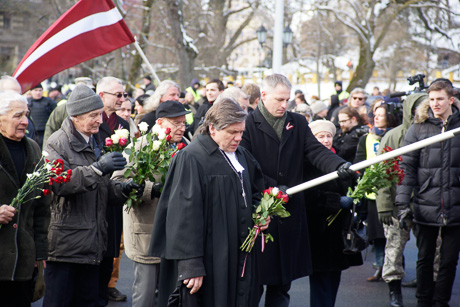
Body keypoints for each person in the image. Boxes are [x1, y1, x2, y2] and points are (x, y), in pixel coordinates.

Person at [240, 74, 356, 307]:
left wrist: (339, 165)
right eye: (279, 99)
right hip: (259, 212)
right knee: (252, 287)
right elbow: (246, 165)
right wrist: (271, 187)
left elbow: (315, 152)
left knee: (282, 285)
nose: (285, 105)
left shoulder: (298, 122)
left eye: (287, 100)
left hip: (290, 214)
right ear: (263, 96)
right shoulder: (247, 124)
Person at [149, 98, 268, 306]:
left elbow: (256, 191)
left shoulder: (241, 154)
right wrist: (191, 265)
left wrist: (261, 213)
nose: (238, 138)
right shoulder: (191, 158)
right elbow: (182, 216)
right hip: (210, 257)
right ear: (212, 129)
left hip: (239, 254)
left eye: (241, 132)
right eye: (232, 132)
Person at [42, 84, 141, 307]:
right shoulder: (57, 143)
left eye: (99, 114)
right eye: (93, 115)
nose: (100, 120)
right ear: (75, 117)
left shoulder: (93, 140)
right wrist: (96, 169)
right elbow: (60, 184)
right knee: (59, 301)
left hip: (92, 244)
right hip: (66, 247)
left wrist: (122, 190)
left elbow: (100, 188)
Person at [113, 100, 189, 307]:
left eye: (184, 122)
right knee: (145, 297)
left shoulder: (185, 147)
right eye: (176, 123)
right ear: (161, 122)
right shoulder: (140, 146)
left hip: (175, 235)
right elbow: (119, 182)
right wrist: (151, 190)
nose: (182, 127)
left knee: (171, 296)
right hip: (146, 233)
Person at [396, 80, 460, 307]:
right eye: (432, 99)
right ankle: (423, 301)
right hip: (425, 201)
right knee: (424, 257)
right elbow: (406, 169)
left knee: (449, 260)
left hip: (455, 203)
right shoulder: (418, 128)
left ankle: (440, 301)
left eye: (440, 99)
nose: (435, 104)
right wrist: (402, 203)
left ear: (450, 100)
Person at [375, 92, 427, 307]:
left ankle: (426, 289)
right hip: (398, 202)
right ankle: (394, 291)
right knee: (394, 250)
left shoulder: (436, 132)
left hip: (427, 203)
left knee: (431, 253)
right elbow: (382, 173)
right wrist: (385, 206)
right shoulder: (394, 136)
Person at [0, 90, 50, 307]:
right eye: (17, 115)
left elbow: (41, 207)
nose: (25, 122)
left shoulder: (33, 149)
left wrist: (39, 251)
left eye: (26, 115)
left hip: (23, 260)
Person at [305, 120, 363, 307]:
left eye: (328, 135)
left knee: (333, 278)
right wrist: (335, 201)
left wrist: (356, 192)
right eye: (320, 136)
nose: (326, 140)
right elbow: (308, 197)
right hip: (319, 231)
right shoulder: (307, 163)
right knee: (321, 282)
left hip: (338, 231)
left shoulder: (339, 161)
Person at [354, 103, 400, 282]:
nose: (377, 118)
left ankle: (395, 267)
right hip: (373, 195)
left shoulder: (396, 136)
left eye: (381, 114)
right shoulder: (367, 138)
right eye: (375, 114)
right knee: (378, 236)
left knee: (395, 236)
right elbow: (359, 162)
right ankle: (380, 267)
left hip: (393, 193)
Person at [43, 77, 96, 146]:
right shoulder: (62, 109)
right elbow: (50, 131)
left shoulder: (96, 109)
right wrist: (47, 153)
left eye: (91, 91)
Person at [27, 84, 57, 148]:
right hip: (32, 133)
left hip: (45, 133)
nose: (38, 92)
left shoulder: (50, 102)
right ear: (31, 91)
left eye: (40, 90)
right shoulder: (26, 102)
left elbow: (55, 117)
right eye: (36, 90)